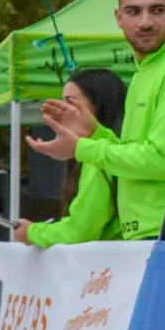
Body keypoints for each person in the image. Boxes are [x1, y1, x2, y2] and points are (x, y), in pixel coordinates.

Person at [26, 0, 165, 241]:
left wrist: (81, 148)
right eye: (134, 12)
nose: (145, 22)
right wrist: (95, 133)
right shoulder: (143, 73)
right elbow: (137, 153)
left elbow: (162, 160)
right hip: (152, 233)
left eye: (156, 10)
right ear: (118, 17)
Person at [16, 69, 128, 247]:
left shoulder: (99, 159)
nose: (61, 111)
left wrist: (32, 233)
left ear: (98, 106)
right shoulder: (117, 148)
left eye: (70, 103)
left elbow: (79, 231)